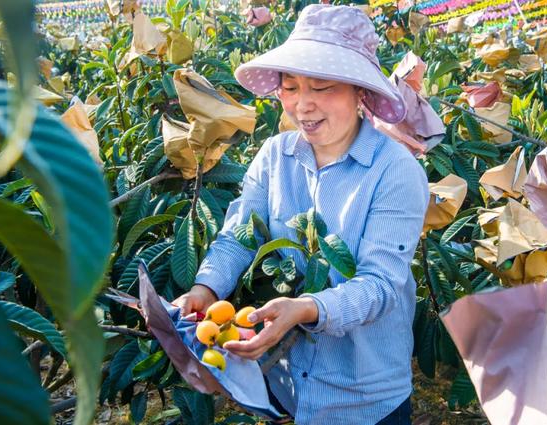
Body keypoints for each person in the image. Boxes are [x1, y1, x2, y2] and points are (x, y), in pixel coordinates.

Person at [173, 4, 429, 424]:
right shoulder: (275, 156)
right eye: (290, 88)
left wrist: (306, 307)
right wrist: (205, 289)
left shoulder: (395, 171)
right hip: (289, 387)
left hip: (364, 399)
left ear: (359, 91)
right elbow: (240, 235)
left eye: (322, 86)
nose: (302, 105)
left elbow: (380, 286)